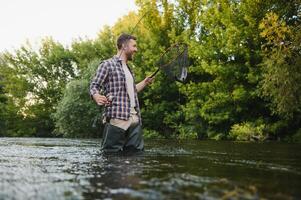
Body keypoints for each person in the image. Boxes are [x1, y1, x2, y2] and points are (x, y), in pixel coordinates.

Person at [90, 33, 153, 153]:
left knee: (136, 158)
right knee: (110, 156)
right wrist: (96, 95)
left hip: (134, 119)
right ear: (124, 47)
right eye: (134, 46)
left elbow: (132, 92)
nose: (136, 49)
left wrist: (145, 82)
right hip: (117, 119)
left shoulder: (129, 69)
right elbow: (94, 85)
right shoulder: (107, 64)